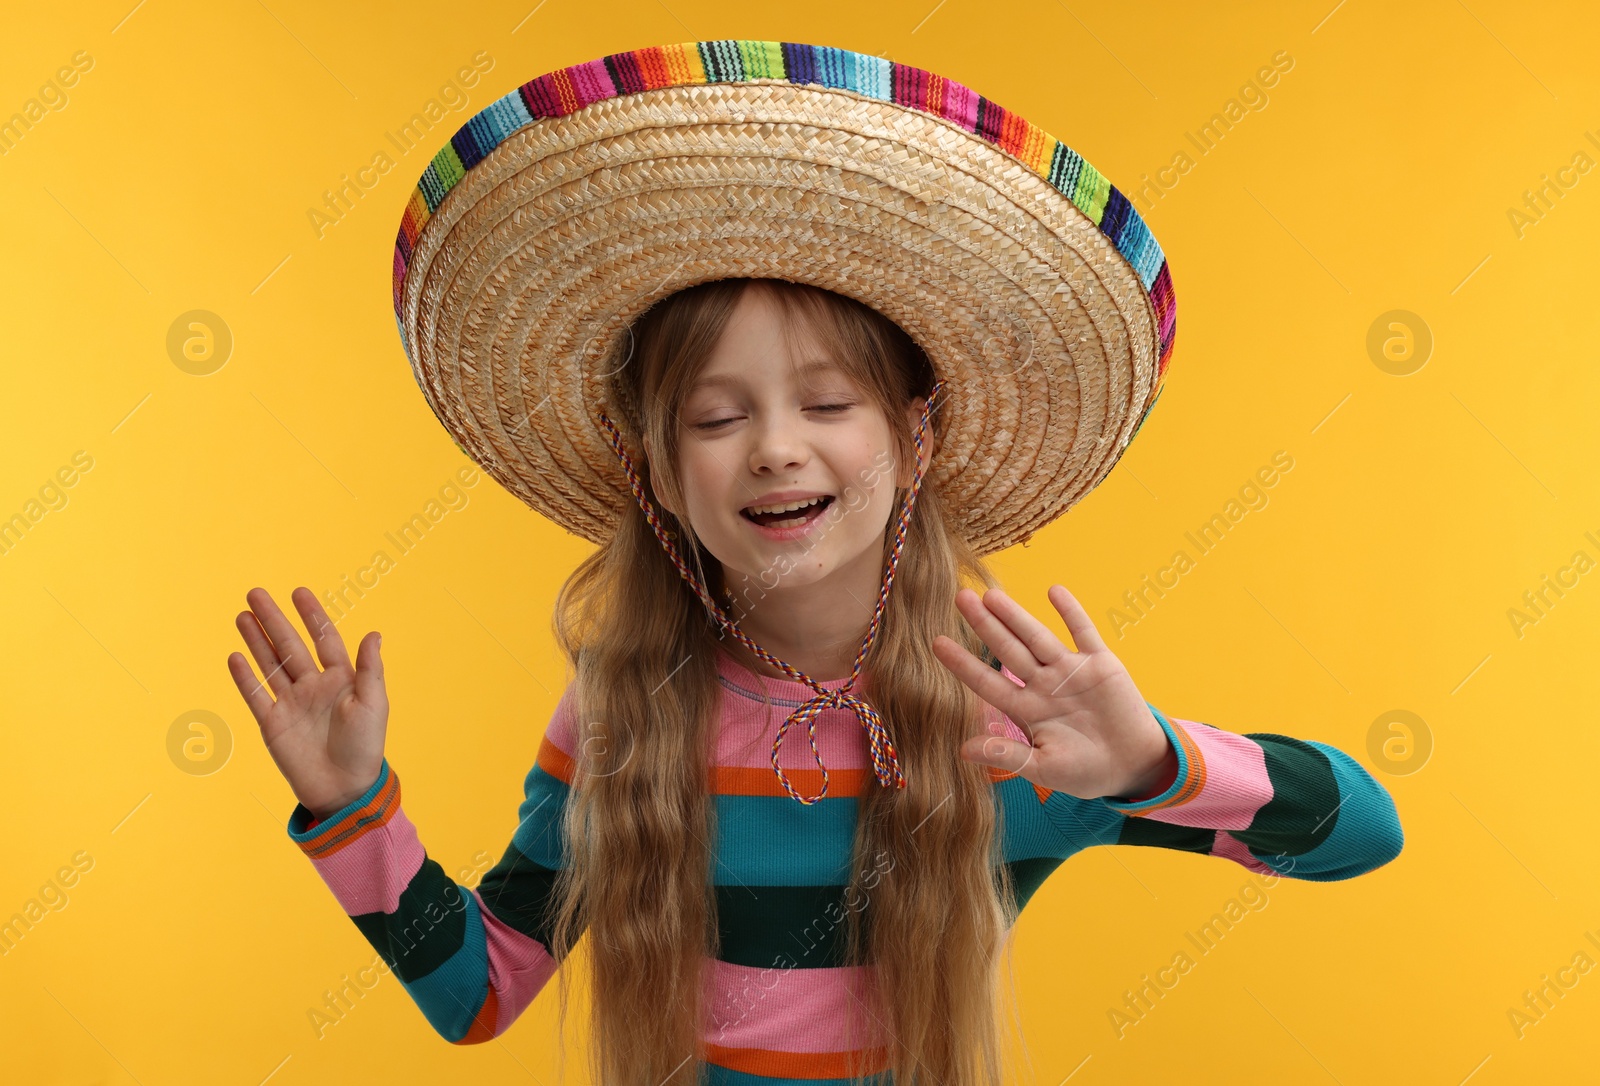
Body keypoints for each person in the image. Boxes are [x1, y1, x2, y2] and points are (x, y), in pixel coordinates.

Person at [227, 42, 1403, 1086]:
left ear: (915, 434)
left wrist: (1148, 760)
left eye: (828, 400)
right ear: (655, 468)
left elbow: (1363, 830)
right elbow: (482, 994)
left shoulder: (1013, 727)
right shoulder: (620, 712)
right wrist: (351, 806)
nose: (776, 447)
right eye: (713, 416)